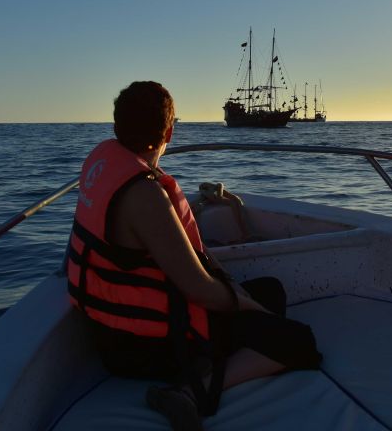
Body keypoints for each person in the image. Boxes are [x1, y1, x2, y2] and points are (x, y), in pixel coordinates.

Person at [66, 81, 322, 430]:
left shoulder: (101, 166)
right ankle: (187, 392)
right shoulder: (145, 196)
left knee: (271, 290)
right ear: (169, 131)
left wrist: (238, 294)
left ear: (116, 128)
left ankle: (214, 357)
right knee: (298, 340)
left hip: (109, 331)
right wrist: (243, 303)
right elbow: (197, 289)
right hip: (141, 348)